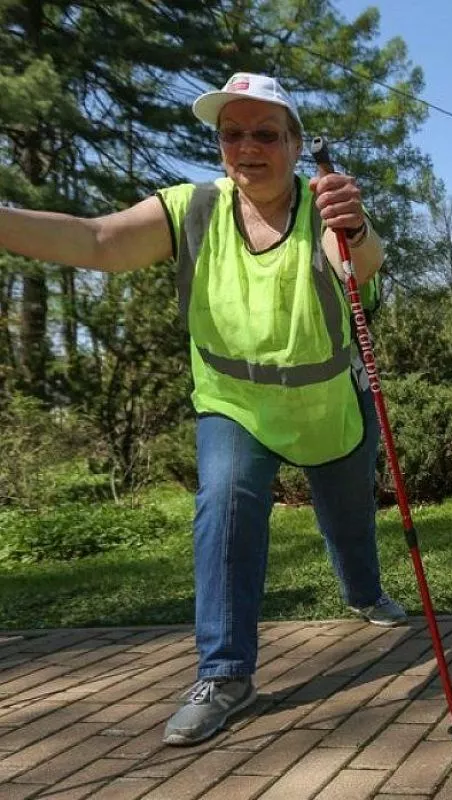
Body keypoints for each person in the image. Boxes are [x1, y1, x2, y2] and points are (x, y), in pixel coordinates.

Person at [0, 72, 408, 745]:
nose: (248, 147)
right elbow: (97, 241)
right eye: (232, 133)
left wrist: (355, 226)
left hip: (328, 403)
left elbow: (361, 265)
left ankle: (363, 593)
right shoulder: (191, 208)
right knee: (222, 504)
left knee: (349, 520)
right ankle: (225, 673)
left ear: (296, 145)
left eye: (266, 133)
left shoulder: (326, 205)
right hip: (233, 402)